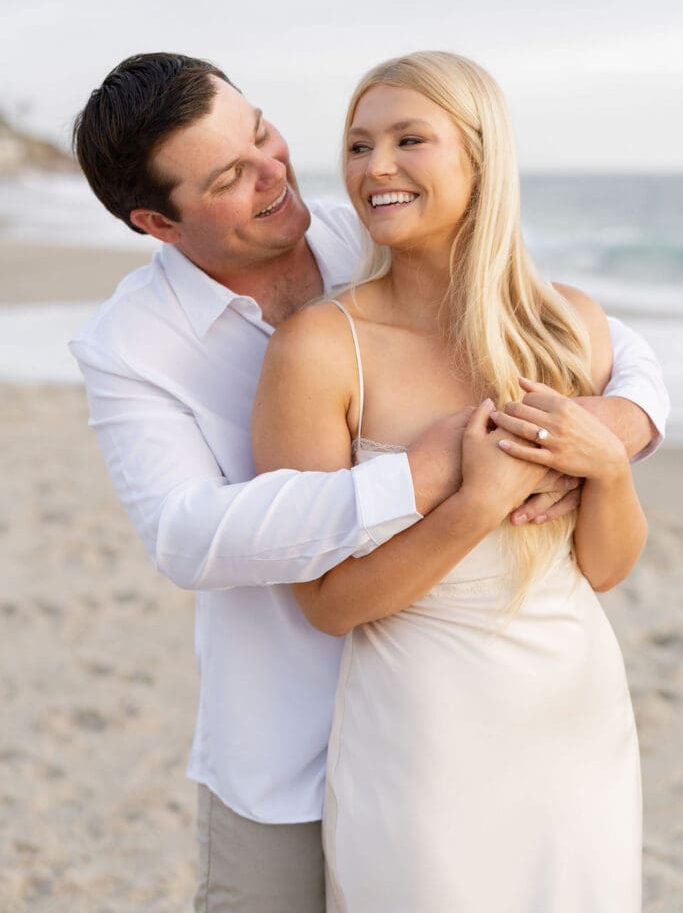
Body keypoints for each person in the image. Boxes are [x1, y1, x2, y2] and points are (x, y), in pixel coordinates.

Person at [69, 53, 667, 913]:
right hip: (289, 738)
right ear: (159, 224)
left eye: (263, 133)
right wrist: (429, 475)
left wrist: (616, 429)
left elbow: (598, 340)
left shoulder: (369, 229)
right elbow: (184, 537)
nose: (276, 173)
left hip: (529, 718)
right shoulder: (132, 346)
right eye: (233, 176)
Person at [252, 51, 650, 911]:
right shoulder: (322, 347)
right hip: (423, 735)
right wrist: (472, 505)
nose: (374, 168)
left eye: (408, 139)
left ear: (479, 156)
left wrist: (609, 467)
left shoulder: (568, 325)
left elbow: (606, 569)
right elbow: (324, 604)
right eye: (357, 146)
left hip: (575, 719)